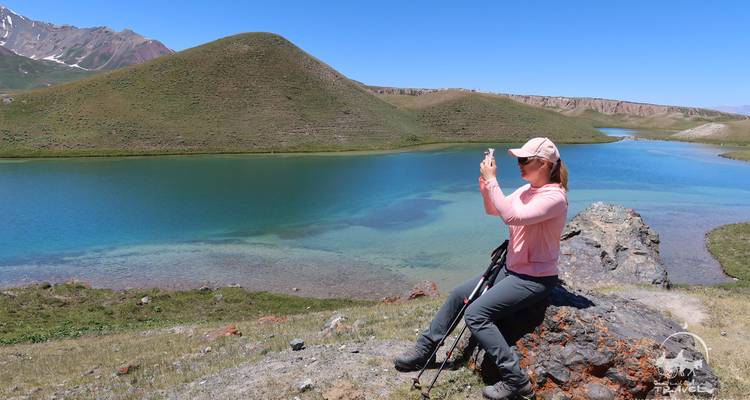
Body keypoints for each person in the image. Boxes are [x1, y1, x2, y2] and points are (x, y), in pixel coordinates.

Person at [393, 137, 569, 400]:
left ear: (543, 164)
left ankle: (515, 381)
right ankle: (425, 350)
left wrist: (494, 180)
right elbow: (494, 210)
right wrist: (487, 186)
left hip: (533, 278)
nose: (519, 165)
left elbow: (512, 216)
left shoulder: (555, 197)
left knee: (476, 314)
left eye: (524, 160)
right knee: (458, 295)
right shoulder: (526, 190)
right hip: (510, 269)